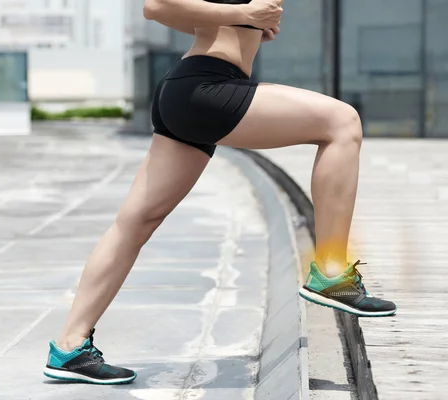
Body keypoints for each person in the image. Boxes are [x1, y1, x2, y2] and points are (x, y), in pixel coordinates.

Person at [43, 0, 397, 385]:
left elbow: (187, 16)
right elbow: (156, 6)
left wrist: (246, 24)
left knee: (135, 222)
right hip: (207, 87)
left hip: (195, 89)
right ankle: (331, 274)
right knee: (342, 122)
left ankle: (69, 347)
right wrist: (244, 17)